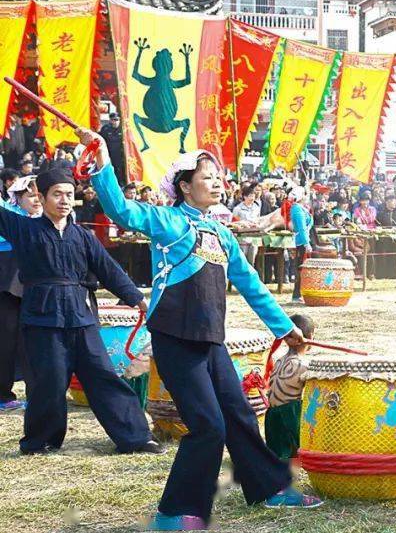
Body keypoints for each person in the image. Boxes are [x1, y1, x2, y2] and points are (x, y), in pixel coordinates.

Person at [80, 130, 321, 530]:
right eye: (207, 177)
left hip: (210, 341)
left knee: (239, 414)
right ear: (185, 187)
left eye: (217, 177)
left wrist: (286, 329)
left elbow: (251, 286)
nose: (216, 183)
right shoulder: (168, 221)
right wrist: (103, 161)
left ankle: (269, 488)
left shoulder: (222, 234)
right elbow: (122, 211)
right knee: (209, 425)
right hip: (175, 339)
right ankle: (174, 512)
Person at [0, 167, 159, 456]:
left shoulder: (82, 236)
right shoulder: (23, 229)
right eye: (57, 194)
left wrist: (138, 300)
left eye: (69, 195)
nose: (64, 200)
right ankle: (41, 441)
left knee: (103, 374)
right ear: (41, 196)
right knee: (48, 381)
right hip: (41, 316)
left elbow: (109, 270)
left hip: (80, 314)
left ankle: (136, 438)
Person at [0, 175, 40, 412]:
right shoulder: (9, 219)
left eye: (38, 195)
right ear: (17, 199)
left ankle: (37, 392)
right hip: (7, 283)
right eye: (30, 195)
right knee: (6, 338)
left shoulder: (46, 221)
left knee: (32, 341)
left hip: (33, 286)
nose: (36, 200)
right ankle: (3, 394)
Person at [265, 314, 316, 461]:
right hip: (289, 414)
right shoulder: (303, 365)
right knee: (290, 457)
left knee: (277, 455)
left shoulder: (279, 361)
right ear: (311, 336)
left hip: (271, 415)